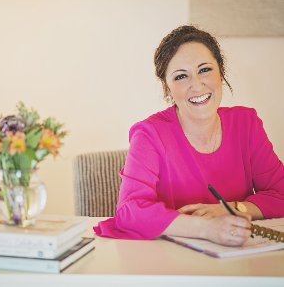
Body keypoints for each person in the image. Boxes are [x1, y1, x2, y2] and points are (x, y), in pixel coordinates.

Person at [94, 25, 284, 246]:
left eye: (204, 70)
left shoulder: (247, 123)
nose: (196, 85)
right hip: (170, 261)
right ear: (167, 89)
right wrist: (206, 228)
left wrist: (231, 209)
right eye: (181, 76)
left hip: (239, 257)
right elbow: (129, 211)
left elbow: (281, 193)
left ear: (221, 72)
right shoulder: (149, 134)